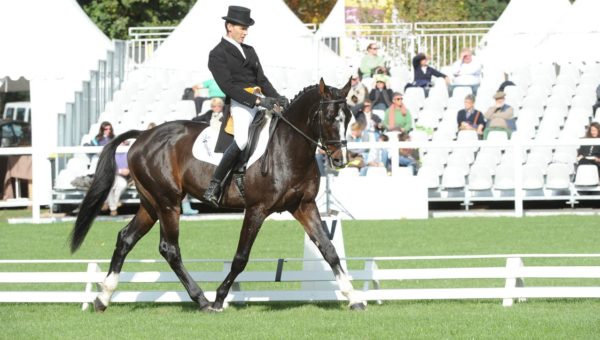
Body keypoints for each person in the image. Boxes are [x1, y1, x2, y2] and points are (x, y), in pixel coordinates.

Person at [203, 6, 287, 207]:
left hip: (260, 100)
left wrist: (277, 98)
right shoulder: (217, 54)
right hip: (241, 103)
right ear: (229, 26)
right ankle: (215, 185)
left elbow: (262, 80)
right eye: (242, 27)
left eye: (247, 28)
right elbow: (228, 86)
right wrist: (258, 101)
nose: (245, 32)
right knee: (241, 140)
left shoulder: (250, 50)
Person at [105, 142, 129, 216]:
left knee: (122, 185)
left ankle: (111, 205)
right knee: (109, 186)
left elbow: (128, 170)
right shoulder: (112, 153)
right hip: (112, 175)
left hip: (123, 178)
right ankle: (114, 207)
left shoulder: (128, 153)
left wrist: (129, 170)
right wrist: (120, 171)